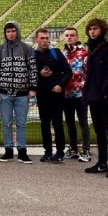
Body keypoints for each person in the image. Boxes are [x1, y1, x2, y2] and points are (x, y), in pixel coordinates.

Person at [82, 18, 108, 179]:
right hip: (94, 94)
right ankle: (101, 162)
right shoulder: (92, 47)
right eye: (90, 29)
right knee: (99, 130)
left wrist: (106, 89)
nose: (92, 32)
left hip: (106, 94)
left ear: (102, 30)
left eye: (95, 29)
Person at [0, 21, 37, 164]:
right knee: (6, 123)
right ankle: (8, 151)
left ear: (17, 31)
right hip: (4, 94)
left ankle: (22, 151)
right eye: (8, 31)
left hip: (22, 94)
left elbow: (32, 69)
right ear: (5, 33)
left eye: (13, 31)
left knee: (22, 123)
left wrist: (33, 88)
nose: (10, 34)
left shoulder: (26, 48)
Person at [33, 28, 71, 163]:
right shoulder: (32, 55)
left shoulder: (56, 53)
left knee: (57, 123)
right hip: (42, 94)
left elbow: (68, 72)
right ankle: (47, 151)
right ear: (36, 40)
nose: (45, 41)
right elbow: (28, 73)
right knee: (44, 123)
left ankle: (60, 152)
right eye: (42, 38)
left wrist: (60, 85)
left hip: (56, 94)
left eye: (46, 38)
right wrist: (39, 73)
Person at [61, 27, 91, 163]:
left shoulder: (84, 53)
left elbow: (88, 72)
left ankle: (86, 150)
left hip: (80, 94)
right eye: (67, 35)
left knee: (83, 122)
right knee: (69, 122)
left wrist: (83, 86)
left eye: (72, 35)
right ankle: (73, 148)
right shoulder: (62, 54)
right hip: (66, 94)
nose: (69, 37)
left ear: (77, 37)